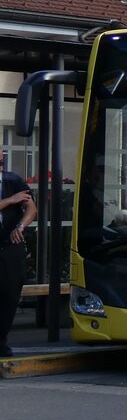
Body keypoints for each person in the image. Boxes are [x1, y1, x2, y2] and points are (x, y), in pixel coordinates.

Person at [0, 150, 36, 358]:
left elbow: (31, 207)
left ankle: (1, 341)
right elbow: (14, 200)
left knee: (9, 294)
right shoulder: (11, 192)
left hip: (9, 246)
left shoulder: (13, 180)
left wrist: (21, 226)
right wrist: (10, 200)